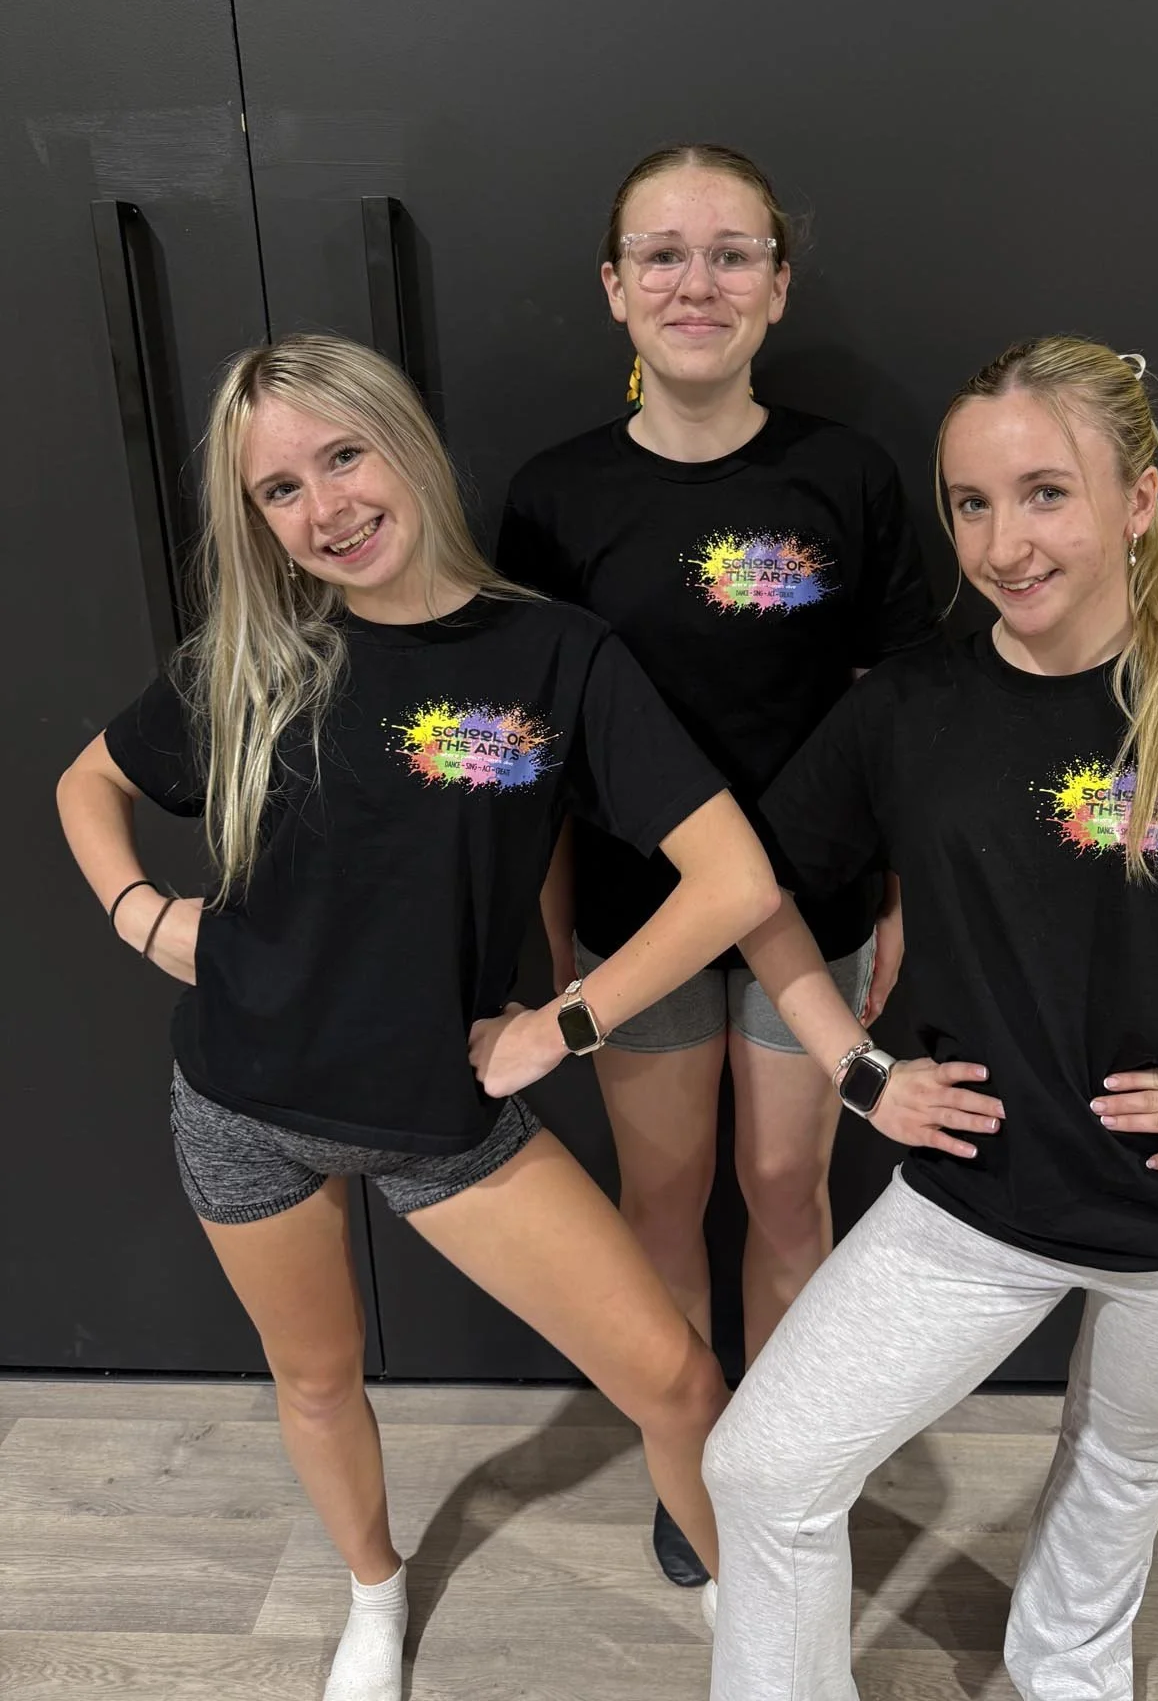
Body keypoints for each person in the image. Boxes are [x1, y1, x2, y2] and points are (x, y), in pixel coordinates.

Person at [702, 335, 1158, 1700]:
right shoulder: (909, 711)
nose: (1005, 543)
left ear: (1138, 499)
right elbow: (750, 893)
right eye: (972, 504)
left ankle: (1068, 1673)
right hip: (975, 1202)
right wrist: (855, 1068)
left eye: (1046, 493)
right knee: (763, 1471)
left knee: (1121, 1461)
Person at [55, 335, 781, 1701]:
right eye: (280, 490)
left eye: (344, 456)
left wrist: (560, 1026)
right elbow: (85, 782)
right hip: (241, 1101)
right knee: (318, 1381)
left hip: (443, 1115)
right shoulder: (257, 658)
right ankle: (374, 1597)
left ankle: (762, 1633)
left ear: (407, 444)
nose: (325, 509)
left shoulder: (553, 654)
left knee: (681, 1384)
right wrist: (144, 917)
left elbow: (734, 881)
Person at [496, 143, 935, 1584]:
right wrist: (555, 940)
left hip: (813, 915)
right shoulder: (554, 498)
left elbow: (903, 716)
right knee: (665, 1197)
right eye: (664, 255)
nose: (699, 283)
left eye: (733, 253)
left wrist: (899, 907)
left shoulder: (848, 476)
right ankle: (692, 1460)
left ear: (778, 286)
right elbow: (539, 753)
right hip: (643, 922)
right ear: (615, 287)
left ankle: (783, 1470)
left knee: (788, 1187)